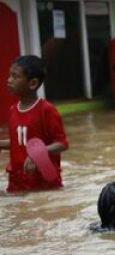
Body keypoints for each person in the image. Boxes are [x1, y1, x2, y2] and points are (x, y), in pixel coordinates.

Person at [0, 55, 68, 193]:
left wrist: (39, 153)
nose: (9, 81)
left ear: (32, 83)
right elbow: (18, 143)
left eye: (15, 76)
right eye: (9, 76)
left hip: (44, 186)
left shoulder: (47, 110)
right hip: (16, 183)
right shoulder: (13, 110)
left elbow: (62, 144)